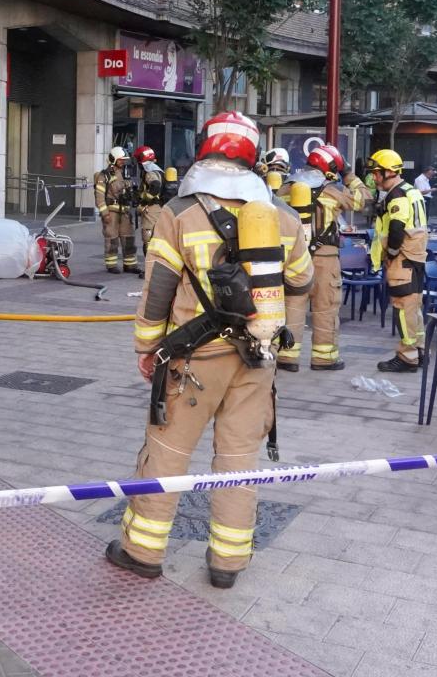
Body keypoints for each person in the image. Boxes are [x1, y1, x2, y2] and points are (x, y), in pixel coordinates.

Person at [107, 112, 312, 588]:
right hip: (256, 360)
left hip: (194, 361)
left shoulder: (179, 213)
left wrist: (146, 347)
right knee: (238, 459)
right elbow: (303, 279)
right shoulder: (281, 215)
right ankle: (228, 562)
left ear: (205, 148)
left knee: (166, 451)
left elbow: (158, 290)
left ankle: (143, 551)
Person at [296, 142, 370, 371]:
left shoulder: (288, 187)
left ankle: (286, 357)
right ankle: (324, 358)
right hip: (324, 256)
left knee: (293, 306)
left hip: (293, 257)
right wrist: (348, 173)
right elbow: (364, 199)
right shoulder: (332, 190)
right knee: (325, 307)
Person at [369, 149, 428, 374]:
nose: (374, 177)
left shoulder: (398, 195)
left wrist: (391, 253)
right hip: (415, 258)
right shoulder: (410, 191)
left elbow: (396, 227)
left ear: (389, 172)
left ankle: (406, 357)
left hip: (403, 259)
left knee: (403, 307)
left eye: (377, 173)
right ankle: (419, 351)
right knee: (413, 307)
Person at [94, 147, 138, 273]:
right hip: (111, 212)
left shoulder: (125, 173)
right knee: (112, 239)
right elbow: (99, 196)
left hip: (124, 211)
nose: (122, 162)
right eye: (120, 160)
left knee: (128, 238)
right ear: (113, 159)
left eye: (123, 160)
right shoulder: (104, 175)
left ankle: (130, 265)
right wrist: (104, 213)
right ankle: (111, 265)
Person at [134, 145, 166, 253]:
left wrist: (144, 199)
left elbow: (155, 186)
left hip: (152, 209)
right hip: (159, 208)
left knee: (148, 239)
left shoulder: (150, 172)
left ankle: (150, 267)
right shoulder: (157, 169)